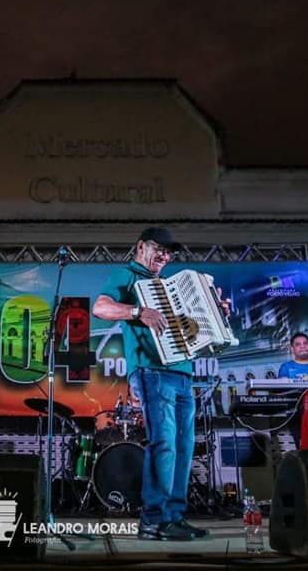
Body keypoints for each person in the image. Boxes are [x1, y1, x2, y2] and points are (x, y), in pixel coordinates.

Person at [92, 226, 231, 542]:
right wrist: (138, 311)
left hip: (183, 373)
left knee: (183, 447)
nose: (165, 256)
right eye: (160, 249)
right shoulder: (126, 276)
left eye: (170, 253)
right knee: (165, 443)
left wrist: (219, 315)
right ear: (141, 247)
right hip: (151, 371)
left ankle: (173, 517)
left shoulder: (172, 286)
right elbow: (100, 307)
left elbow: (196, 329)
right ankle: (152, 520)